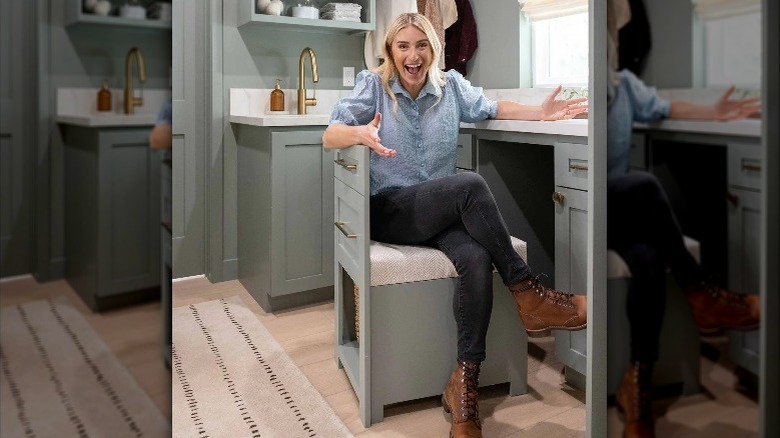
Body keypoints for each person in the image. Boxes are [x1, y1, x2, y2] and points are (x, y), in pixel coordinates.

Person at [323, 12, 588, 438]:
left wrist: (541, 113)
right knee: (469, 184)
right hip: (391, 211)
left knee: (477, 258)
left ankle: (463, 383)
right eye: (404, 46)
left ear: (434, 49)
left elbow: (495, 107)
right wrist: (358, 136)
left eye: (422, 45)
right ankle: (529, 293)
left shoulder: (452, 87)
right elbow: (329, 133)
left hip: (437, 211)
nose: (413, 55)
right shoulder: (373, 86)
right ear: (391, 51)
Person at [606, 1, 761, 437]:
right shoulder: (591, 93)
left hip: (623, 219)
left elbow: (666, 107)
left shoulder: (626, 88)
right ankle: (703, 292)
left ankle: (636, 388)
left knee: (650, 258)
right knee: (646, 185)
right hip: (600, 213)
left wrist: (715, 112)